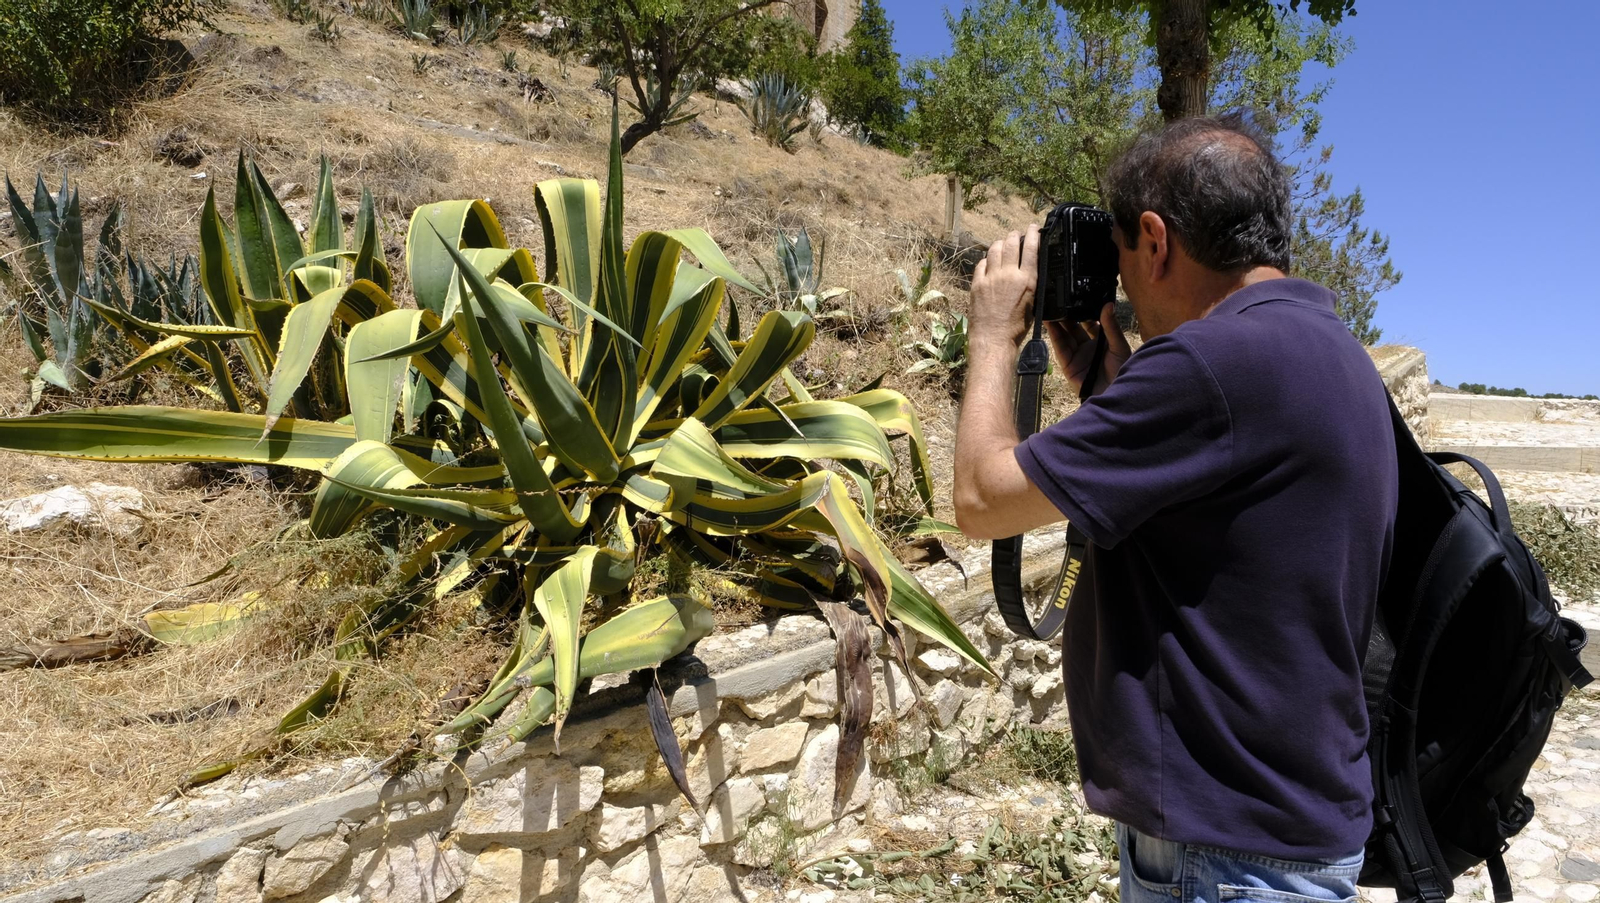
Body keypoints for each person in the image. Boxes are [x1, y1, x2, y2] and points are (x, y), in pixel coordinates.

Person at [951, 113, 1397, 903]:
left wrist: (990, 337)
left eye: (1123, 264)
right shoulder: (1333, 351)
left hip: (1222, 858)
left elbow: (983, 499)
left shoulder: (1212, 363)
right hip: (1288, 826)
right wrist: (1111, 387)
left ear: (1155, 241)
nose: (1122, 289)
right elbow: (1220, 527)